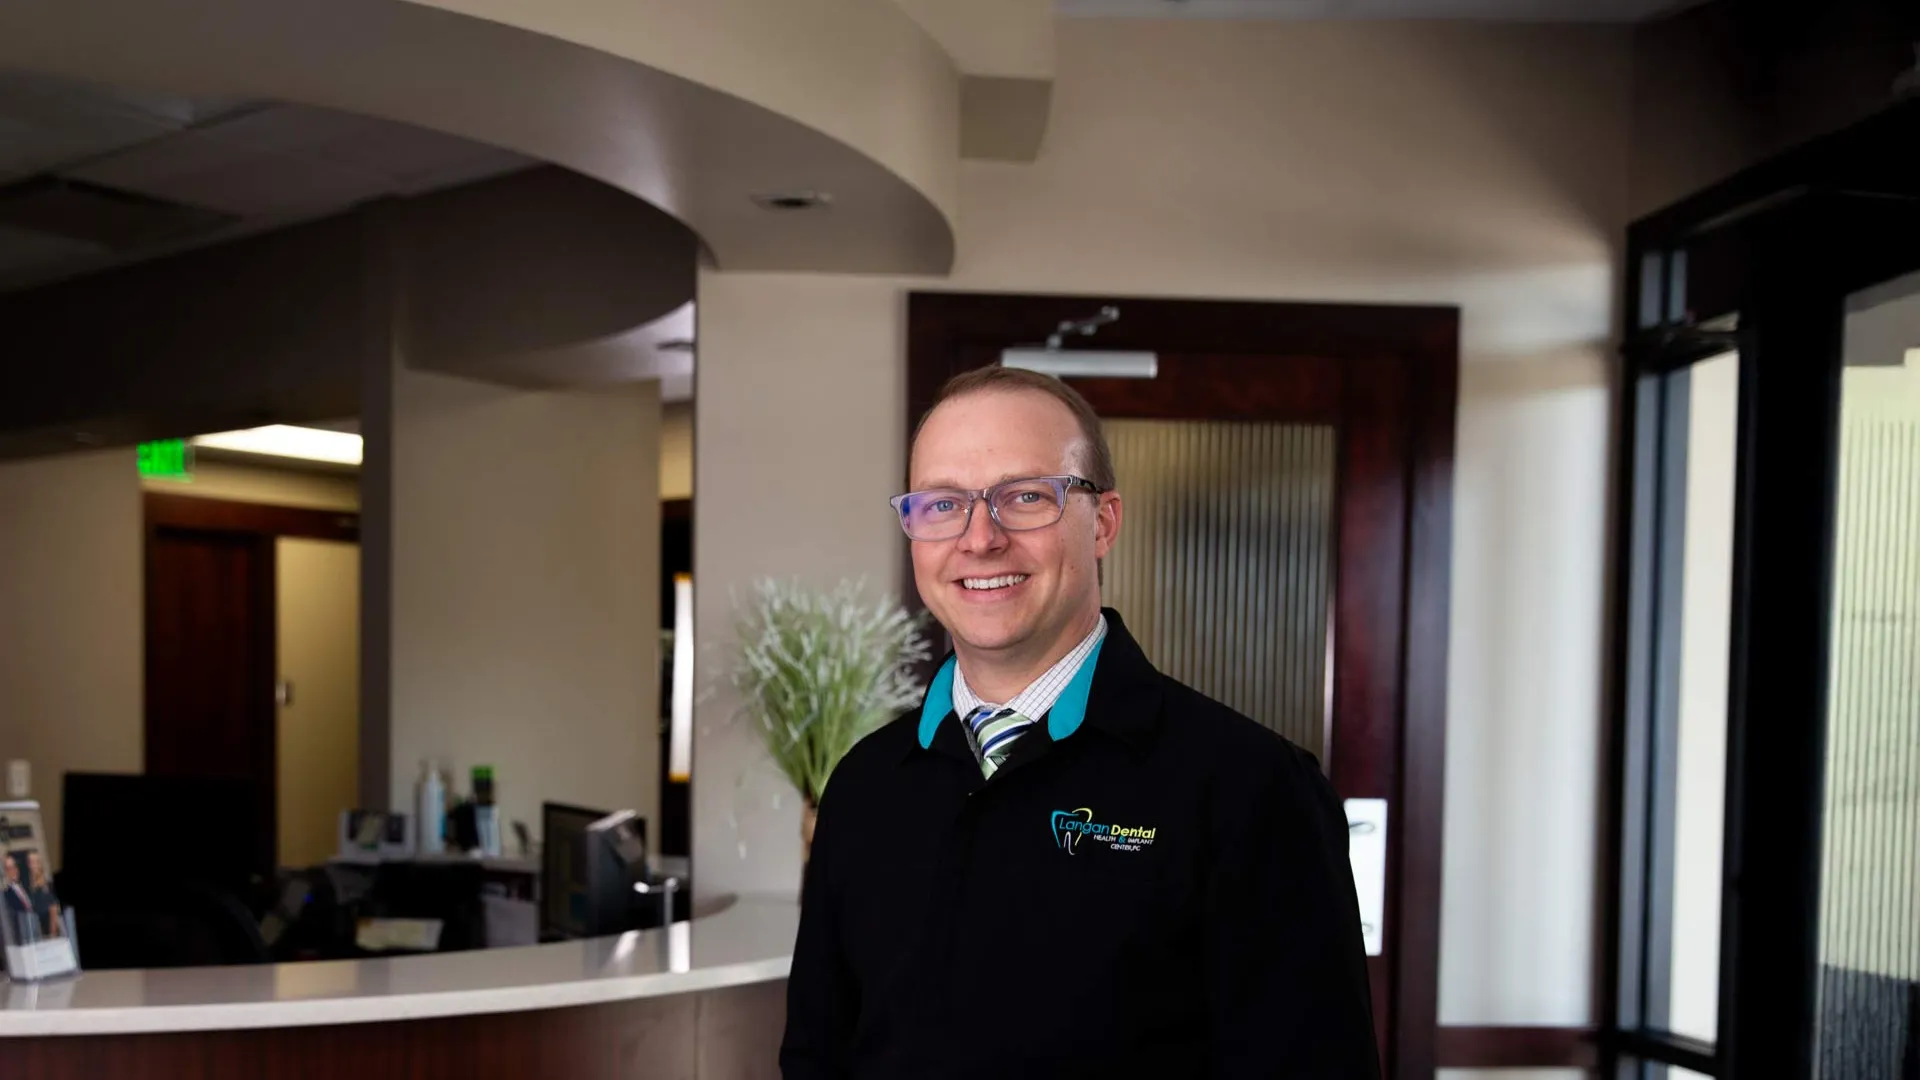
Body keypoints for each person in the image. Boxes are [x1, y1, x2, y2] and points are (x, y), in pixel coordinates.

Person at [781, 366, 1379, 1079]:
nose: (980, 539)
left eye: (1025, 497)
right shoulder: (863, 786)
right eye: (943, 505)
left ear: (1102, 522)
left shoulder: (1253, 790)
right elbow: (817, 1058)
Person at [25, 850, 62, 938]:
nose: (34, 865)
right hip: (36, 931)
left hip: (50, 931)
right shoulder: (27, 887)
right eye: (31, 862)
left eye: (36, 862)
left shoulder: (48, 884)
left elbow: (53, 910)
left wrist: (52, 934)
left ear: (40, 864)